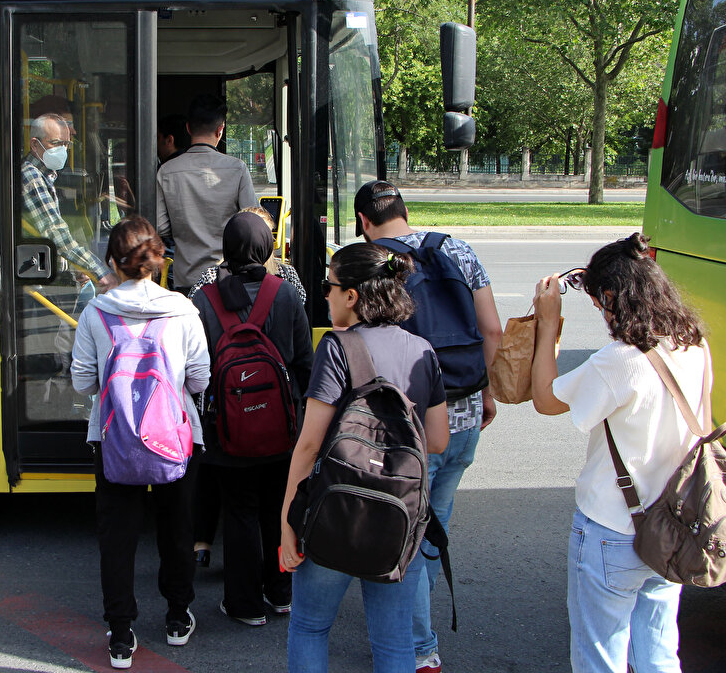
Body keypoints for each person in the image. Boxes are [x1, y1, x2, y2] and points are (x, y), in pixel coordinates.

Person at [530, 233, 709, 673]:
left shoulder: (621, 359)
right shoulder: (694, 344)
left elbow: (546, 400)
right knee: (658, 652)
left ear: (613, 298)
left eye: (600, 304)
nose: (603, 314)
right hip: (673, 523)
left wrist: (548, 324)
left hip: (613, 528)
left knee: (600, 657)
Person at [353, 179, 502, 673]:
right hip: (464, 414)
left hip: (409, 426)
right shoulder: (458, 250)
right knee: (436, 524)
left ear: (364, 222)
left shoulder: (375, 264)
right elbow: (491, 329)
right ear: (405, 209)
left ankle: (418, 646)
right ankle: (415, 629)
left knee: (406, 536)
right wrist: (486, 390)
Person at [280, 241, 448, 673]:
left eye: (329, 287)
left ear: (352, 296)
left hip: (335, 510)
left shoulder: (337, 348)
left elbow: (309, 445)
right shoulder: (422, 350)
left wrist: (287, 523)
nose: (326, 296)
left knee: (310, 626)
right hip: (398, 517)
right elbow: (438, 440)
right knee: (393, 641)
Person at [70, 215, 210, 669]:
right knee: (177, 528)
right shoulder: (183, 310)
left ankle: (120, 633)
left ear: (113, 262)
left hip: (113, 436)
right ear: (159, 259)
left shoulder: (96, 312)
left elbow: (83, 382)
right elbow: (199, 379)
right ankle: (177, 617)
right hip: (175, 437)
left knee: (117, 535)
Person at [190, 211, 312, 626]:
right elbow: (304, 363)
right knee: (278, 507)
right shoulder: (286, 294)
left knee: (239, 511)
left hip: (226, 431)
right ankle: (280, 593)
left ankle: (244, 605)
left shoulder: (204, 300)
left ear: (225, 248)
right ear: (267, 246)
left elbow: (195, 372)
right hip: (281, 429)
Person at [156, 95, 256, 292]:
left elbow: (161, 226)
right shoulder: (237, 169)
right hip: (227, 277)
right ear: (220, 130)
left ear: (188, 128)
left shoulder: (166, 171)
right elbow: (252, 224)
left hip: (186, 278)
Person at [22, 112, 117, 292]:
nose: (63, 150)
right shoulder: (31, 177)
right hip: (39, 280)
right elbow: (55, 233)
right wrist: (100, 272)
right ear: (34, 144)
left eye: (66, 144)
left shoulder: (45, 174)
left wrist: (77, 267)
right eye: (56, 143)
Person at [188, 206, 307, 304]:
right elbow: (299, 312)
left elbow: (194, 307)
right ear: (268, 241)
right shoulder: (287, 276)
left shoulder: (212, 277)